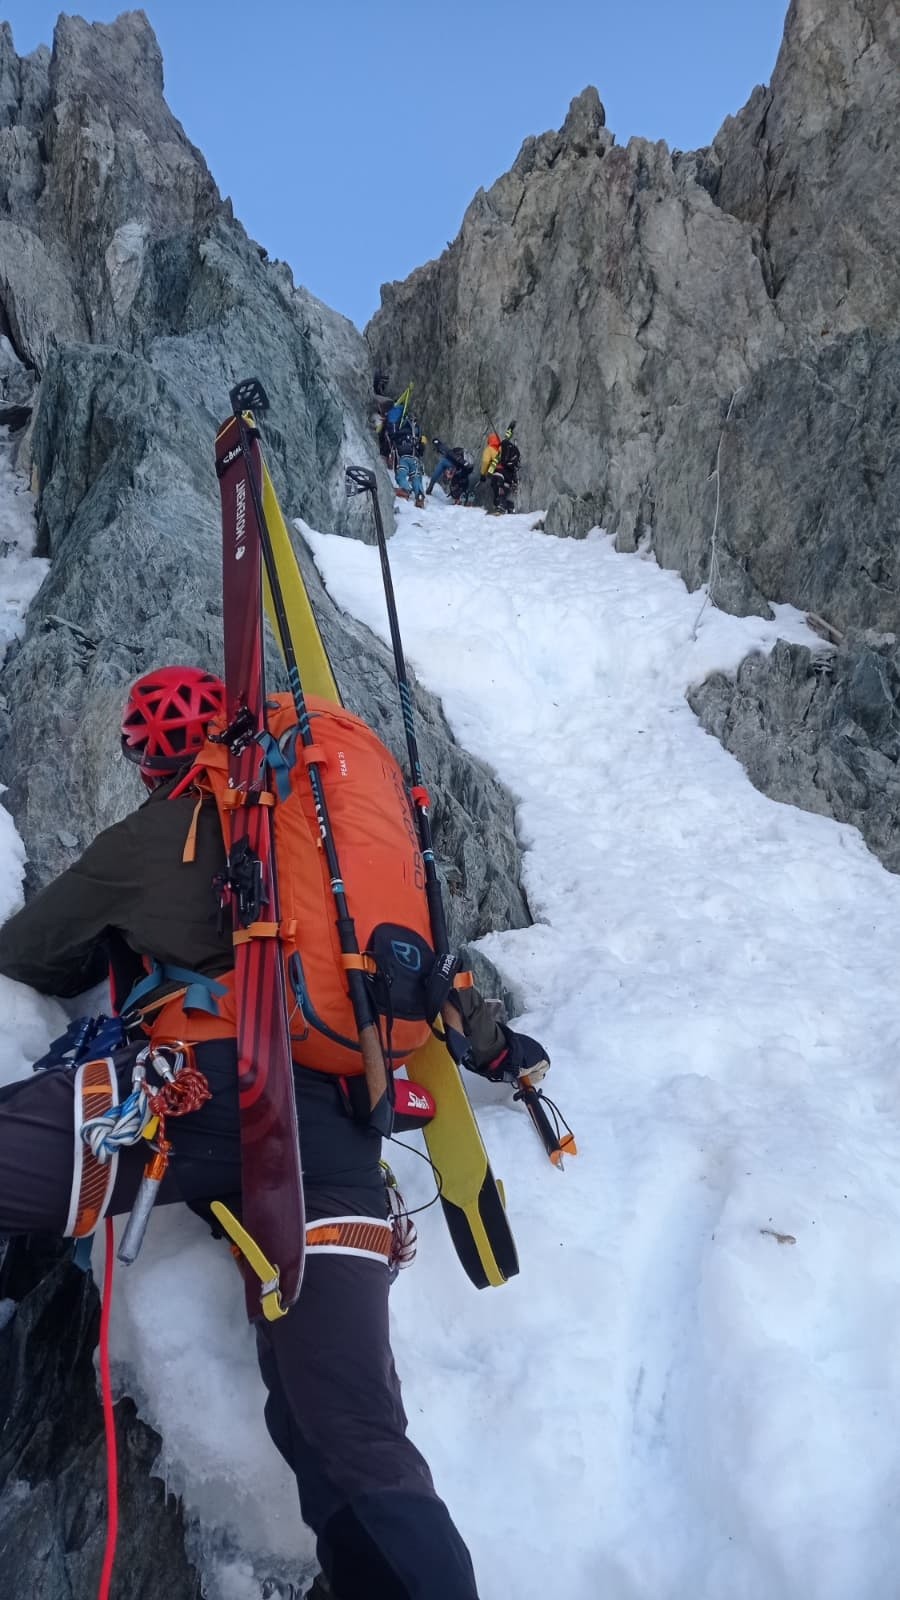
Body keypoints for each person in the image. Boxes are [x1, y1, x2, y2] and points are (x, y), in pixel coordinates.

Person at [0, 666, 550, 1600]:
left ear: (150, 764)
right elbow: (431, 983)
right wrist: (498, 1049)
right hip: (337, 1141)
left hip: (193, 1096)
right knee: (353, 1434)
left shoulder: (156, 835)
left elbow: (28, 952)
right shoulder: (341, 848)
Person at [481, 425, 520, 516]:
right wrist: (510, 428)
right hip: (510, 475)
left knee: (497, 486)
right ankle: (509, 506)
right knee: (502, 491)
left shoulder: (489, 449)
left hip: (499, 473)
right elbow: (507, 436)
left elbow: (486, 462)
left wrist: (483, 474)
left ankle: (501, 507)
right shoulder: (502, 448)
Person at [393, 414, 427, 509]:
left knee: (401, 475)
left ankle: (405, 489)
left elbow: (394, 438)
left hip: (404, 458)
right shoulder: (419, 435)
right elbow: (421, 451)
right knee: (415, 477)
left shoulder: (402, 432)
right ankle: (419, 495)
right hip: (415, 459)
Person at [426, 440, 474, 505]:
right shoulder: (456, 470)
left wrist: (430, 488)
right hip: (464, 465)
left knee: (459, 479)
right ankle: (462, 496)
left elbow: (435, 476)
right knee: (459, 479)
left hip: (463, 464)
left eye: (449, 475)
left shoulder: (445, 463)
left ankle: (461, 496)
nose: (449, 476)